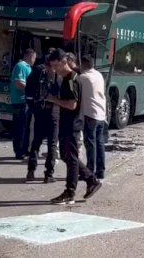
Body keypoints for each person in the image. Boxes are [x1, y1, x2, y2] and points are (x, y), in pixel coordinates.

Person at [45, 49, 102, 205]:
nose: (54, 69)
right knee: (67, 156)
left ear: (64, 62)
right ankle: (91, 180)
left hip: (72, 124)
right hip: (67, 124)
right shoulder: (66, 78)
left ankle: (70, 192)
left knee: (71, 158)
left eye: (56, 66)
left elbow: (72, 104)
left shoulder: (71, 79)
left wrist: (53, 100)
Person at [26, 54, 59, 183]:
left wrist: (34, 109)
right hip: (53, 112)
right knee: (52, 144)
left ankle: (31, 171)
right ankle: (48, 174)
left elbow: (28, 94)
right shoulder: (57, 75)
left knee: (36, 142)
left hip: (39, 111)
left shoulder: (35, 73)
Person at [79, 55, 108, 180]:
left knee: (90, 143)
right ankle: (100, 170)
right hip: (101, 113)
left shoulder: (83, 77)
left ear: (83, 64)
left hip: (90, 114)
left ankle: (89, 171)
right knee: (99, 143)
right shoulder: (98, 75)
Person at [10, 48, 36, 160]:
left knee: (26, 127)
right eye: (34, 58)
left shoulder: (27, 67)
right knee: (20, 128)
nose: (34, 60)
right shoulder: (21, 66)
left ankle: (24, 150)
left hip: (25, 101)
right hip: (20, 101)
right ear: (30, 56)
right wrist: (31, 90)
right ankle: (19, 152)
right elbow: (18, 83)